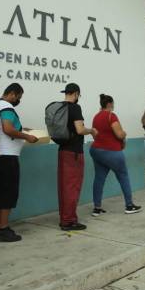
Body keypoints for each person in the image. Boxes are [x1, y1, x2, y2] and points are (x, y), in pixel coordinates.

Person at [0, 83, 38, 242]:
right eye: (19, 97)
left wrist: (24, 129)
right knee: (8, 194)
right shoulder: (7, 108)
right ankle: (3, 228)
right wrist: (27, 137)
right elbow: (8, 129)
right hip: (8, 157)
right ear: (12, 94)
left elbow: (6, 127)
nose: (19, 100)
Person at [90, 94, 141, 216]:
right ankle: (129, 205)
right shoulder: (111, 116)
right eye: (113, 104)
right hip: (112, 152)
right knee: (123, 176)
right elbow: (119, 134)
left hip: (96, 151)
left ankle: (97, 208)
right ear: (109, 104)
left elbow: (94, 134)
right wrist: (124, 133)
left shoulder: (96, 117)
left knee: (99, 179)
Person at [57, 83, 97, 231]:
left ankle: (64, 218)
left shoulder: (60, 107)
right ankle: (69, 221)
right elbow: (79, 130)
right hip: (74, 152)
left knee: (63, 186)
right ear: (76, 94)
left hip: (62, 150)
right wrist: (91, 130)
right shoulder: (75, 108)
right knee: (73, 186)